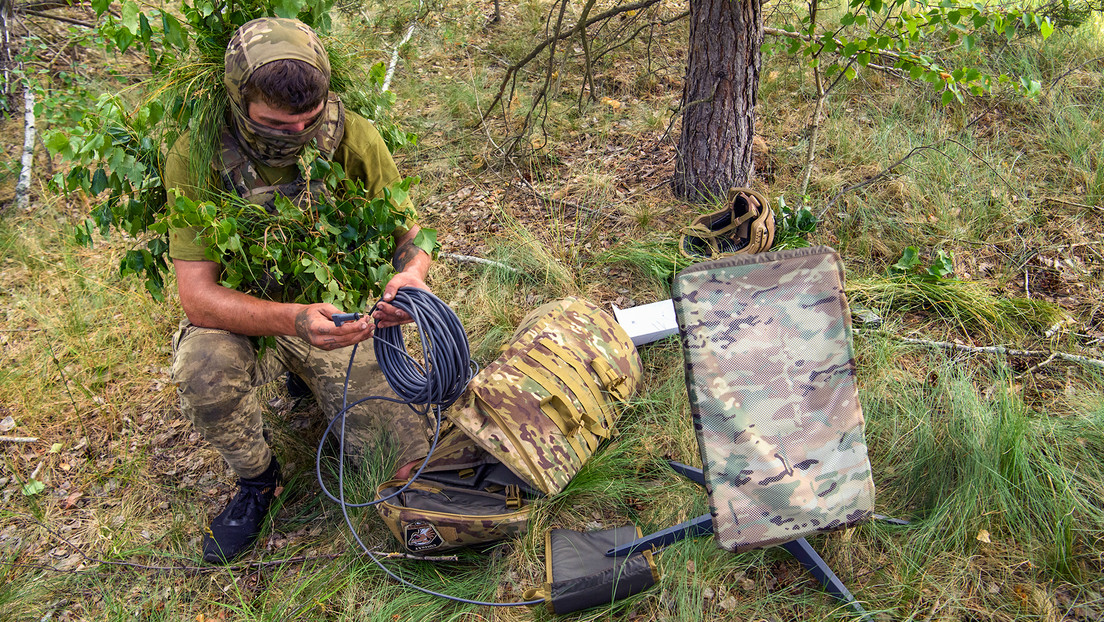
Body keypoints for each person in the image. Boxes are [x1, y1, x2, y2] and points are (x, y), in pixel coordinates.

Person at [164, 17, 432, 563]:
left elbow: (414, 236)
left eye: (308, 122)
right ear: (237, 99)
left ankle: (313, 379)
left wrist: (411, 277)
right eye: (275, 125)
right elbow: (197, 296)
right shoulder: (197, 154)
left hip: (339, 315)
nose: (297, 136)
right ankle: (259, 481)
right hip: (251, 315)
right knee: (203, 368)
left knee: (406, 465)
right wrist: (292, 320)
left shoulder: (353, 136)